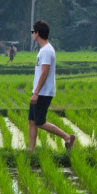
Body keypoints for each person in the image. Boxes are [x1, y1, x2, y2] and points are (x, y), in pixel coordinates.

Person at [27, 20, 76, 152]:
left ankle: (67, 137)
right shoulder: (43, 50)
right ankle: (30, 150)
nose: (32, 34)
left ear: (37, 33)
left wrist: (36, 93)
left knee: (40, 122)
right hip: (39, 91)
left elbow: (44, 73)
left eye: (33, 32)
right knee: (32, 121)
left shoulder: (47, 51)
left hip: (43, 92)